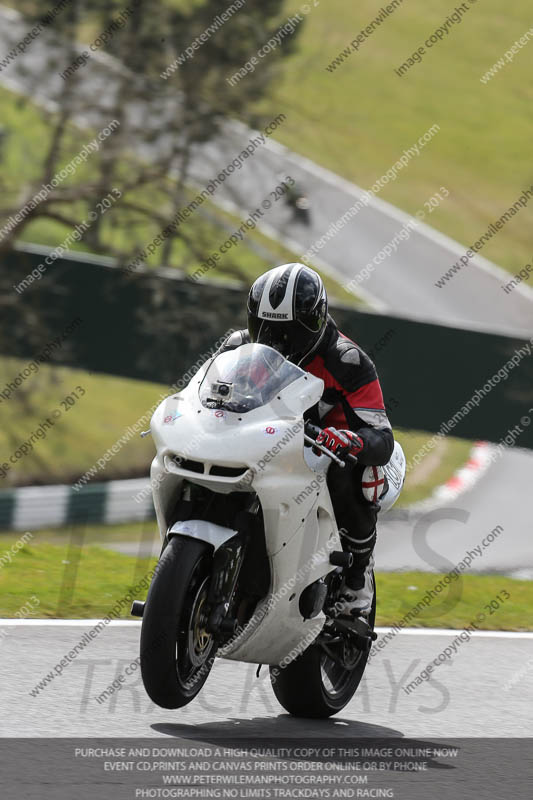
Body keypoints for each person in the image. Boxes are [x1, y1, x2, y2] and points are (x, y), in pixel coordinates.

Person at [215, 263, 396, 621]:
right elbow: (207, 396)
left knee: (356, 477)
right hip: (263, 444)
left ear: (314, 323)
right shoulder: (239, 347)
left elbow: (381, 436)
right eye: (265, 328)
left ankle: (357, 583)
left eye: (288, 332)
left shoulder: (347, 362)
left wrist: (348, 440)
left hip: (327, 454)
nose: (276, 340)